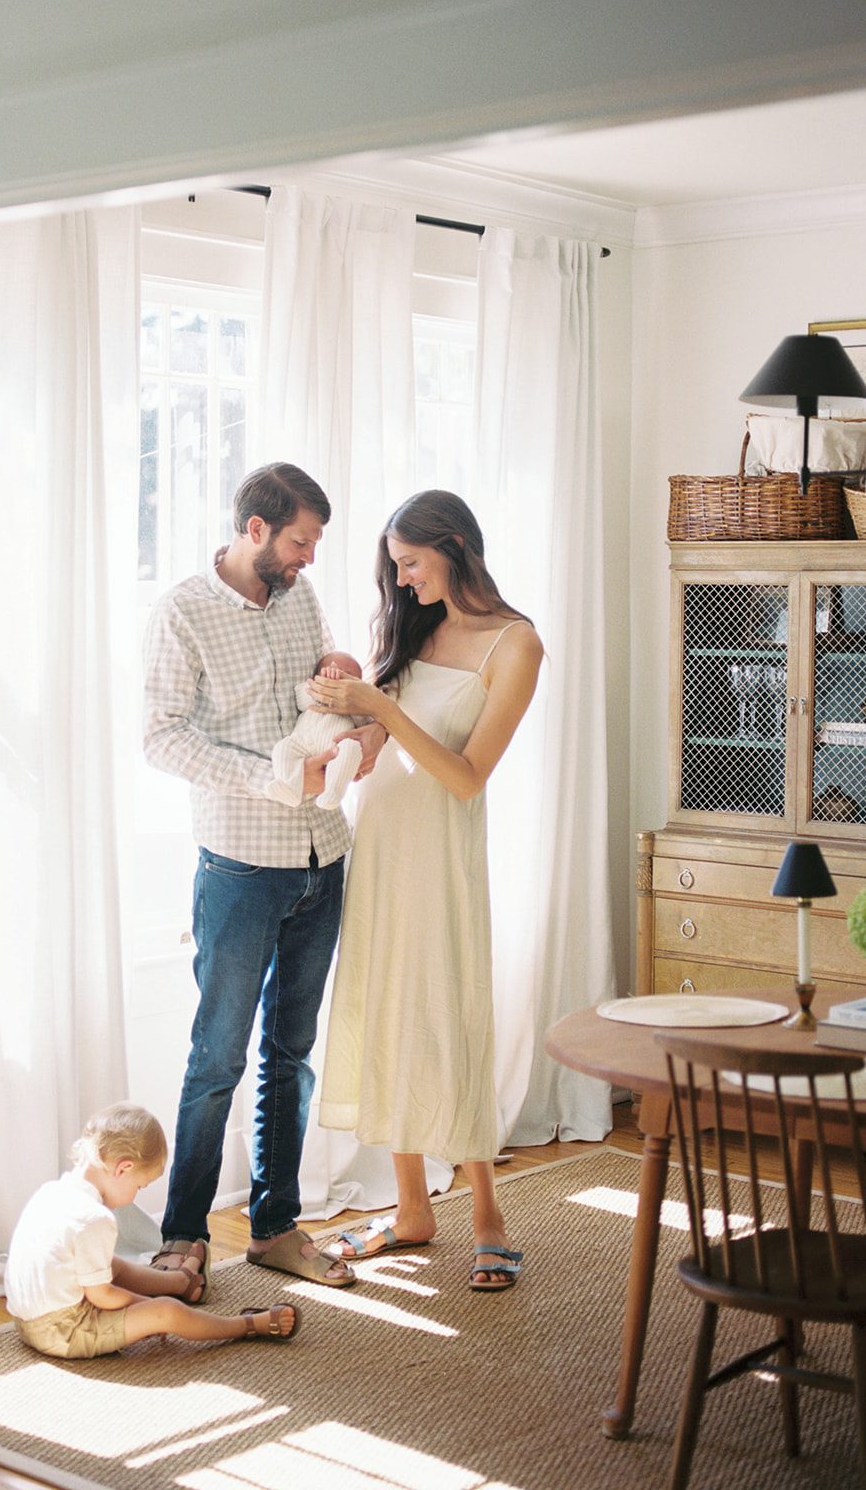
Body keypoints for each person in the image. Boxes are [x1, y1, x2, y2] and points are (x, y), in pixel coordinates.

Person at [143, 462, 380, 1289]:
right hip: (241, 865)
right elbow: (161, 738)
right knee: (217, 1058)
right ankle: (183, 1236)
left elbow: (320, 690)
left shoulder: (298, 598)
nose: (309, 558)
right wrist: (273, 779)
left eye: (314, 543)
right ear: (254, 530)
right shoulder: (182, 610)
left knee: (293, 1051)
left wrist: (351, 716)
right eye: (300, 541)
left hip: (323, 858)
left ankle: (276, 1228)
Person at [313, 489, 544, 1291]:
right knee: (386, 1015)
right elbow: (389, 741)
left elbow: (465, 777)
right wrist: (355, 729)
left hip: (439, 860)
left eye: (409, 563)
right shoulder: (414, 626)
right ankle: (411, 1209)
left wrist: (382, 706)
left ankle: (487, 1215)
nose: (402, 582)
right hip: (378, 850)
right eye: (395, 569)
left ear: (451, 546)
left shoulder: (514, 644)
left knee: (450, 1020)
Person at [3, 1102, 300, 1355]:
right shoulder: (95, 1218)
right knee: (167, 1312)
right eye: (139, 1187)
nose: (136, 1195)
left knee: (111, 1264)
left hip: (24, 1320)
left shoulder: (53, 1192)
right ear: (124, 1168)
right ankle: (247, 1325)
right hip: (63, 1331)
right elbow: (102, 1296)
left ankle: (180, 1282)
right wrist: (149, 1307)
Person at [267, 651, 366, 811]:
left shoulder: (356, 706)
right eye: (333, 670)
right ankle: (290, 787)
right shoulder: (309, 691)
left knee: (352, 749)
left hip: (335, 748)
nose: (340, 676)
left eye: (349, 675)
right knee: (282, 748)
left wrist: (354, 701)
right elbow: (301, 701)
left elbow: (363, 722)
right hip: (302, 744)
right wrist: (323, 687)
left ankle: (333, 793)